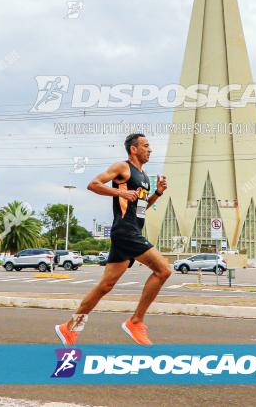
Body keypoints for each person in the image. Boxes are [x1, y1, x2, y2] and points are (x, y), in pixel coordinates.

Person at [55, 133, 171, 346]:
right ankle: (135, 321)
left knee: (105, 285)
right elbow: (93, 184)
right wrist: (119, 194)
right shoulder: (123, 167)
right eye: (146, 146)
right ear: (133, 149)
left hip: (131, 231)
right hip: (126, 232)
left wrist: (158, 194)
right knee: (164, 270)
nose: (150, 149)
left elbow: (141, 207)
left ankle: (69, 327)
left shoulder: (144, 176)